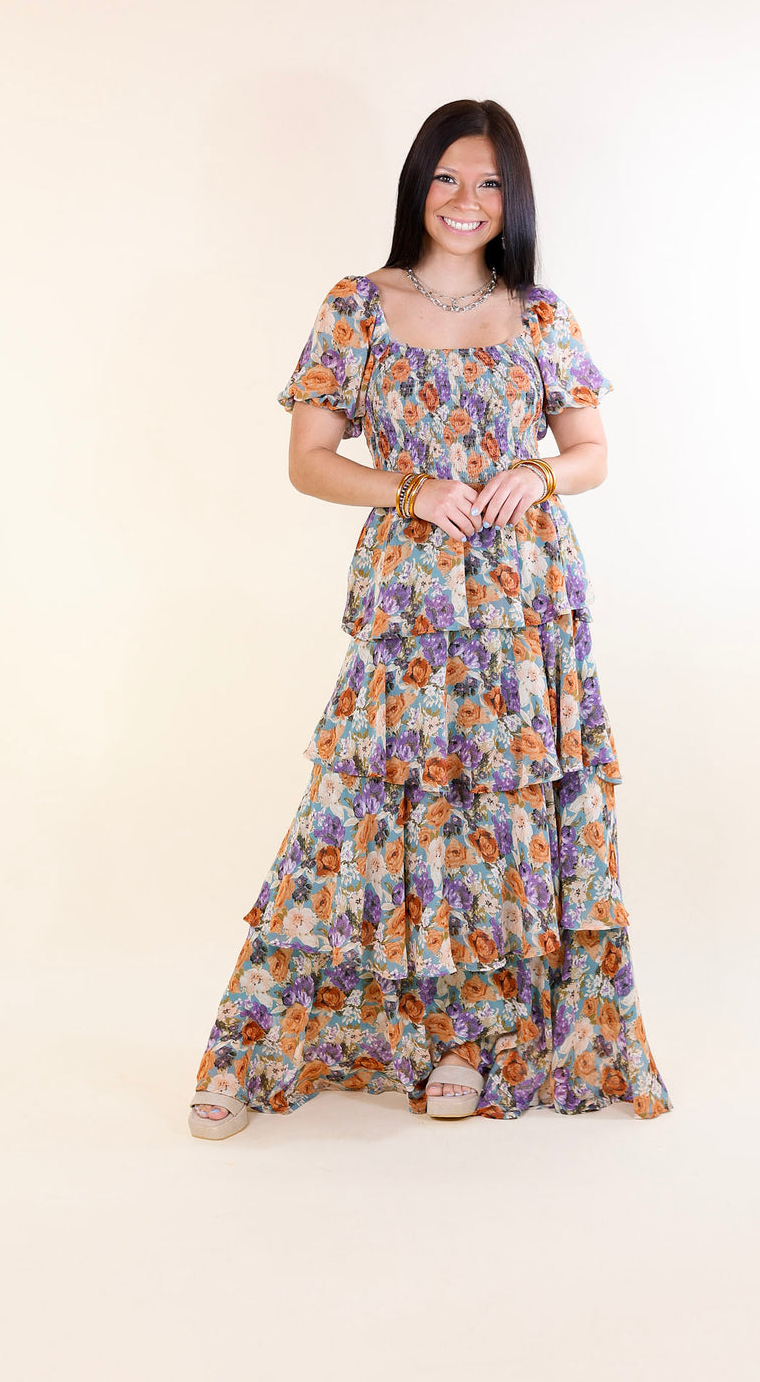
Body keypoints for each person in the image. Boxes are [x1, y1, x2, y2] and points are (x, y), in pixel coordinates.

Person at [189, 98, 673, 1138]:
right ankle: (262, 1040)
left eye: (490, 182)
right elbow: (309, 460)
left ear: (513, 198)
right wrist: (409, 490)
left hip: (523, 604)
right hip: (410, 601)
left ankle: (470, 1037)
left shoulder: (539, 314)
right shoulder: (357, 304)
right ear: (418, 184)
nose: (466, 200)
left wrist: (539, 474)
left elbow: (592, 451)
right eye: (449, 177)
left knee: (499, 819)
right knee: (358, 813)